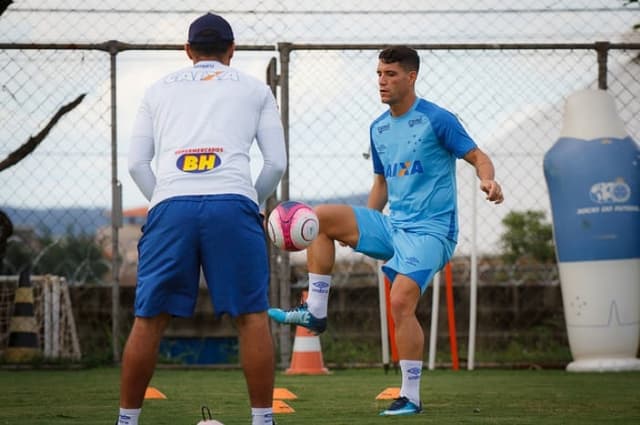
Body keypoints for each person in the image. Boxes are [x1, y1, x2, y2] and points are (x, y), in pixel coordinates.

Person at [268, 46, 503, 416]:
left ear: (411, 77)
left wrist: (488, 181)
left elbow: (478, 156)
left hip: (432, 232)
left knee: (400, 301)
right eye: (379, 73)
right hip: (393, 226)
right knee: (317, 218)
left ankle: (410, 395)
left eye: (391, 74)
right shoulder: (377, 127)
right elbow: (381, 184)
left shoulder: (437, 119)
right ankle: (315, 310)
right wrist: (362, 229)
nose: (382, 81)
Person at [116, 12, 286, 425]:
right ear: (232, 50)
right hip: (234, 203)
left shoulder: (157, 91)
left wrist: (165, 199)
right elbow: (276, 164)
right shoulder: (255, 89)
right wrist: (252, 200)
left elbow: (138, 164)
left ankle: (126, 421)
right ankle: (263, 420)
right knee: (252, 316)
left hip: (171, 203)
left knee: (149, 318)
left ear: (188, 50)